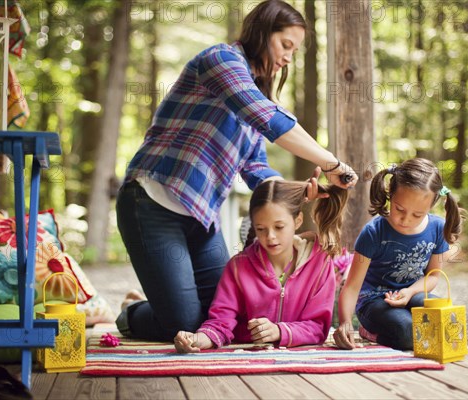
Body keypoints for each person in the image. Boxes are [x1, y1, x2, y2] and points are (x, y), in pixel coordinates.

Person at [116, 0, 357, 341]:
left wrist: (299, 191)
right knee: (182, 324)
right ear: (262, 33)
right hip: (152, 203)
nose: (289, 57)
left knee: (224, 317)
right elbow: (266, 116)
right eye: (285, 45)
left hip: (201, 216)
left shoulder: (255, 95)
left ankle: (162, 301)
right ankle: (131, 314)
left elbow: (257, 169)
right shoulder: (221, 61)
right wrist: (331, 163)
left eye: (295, 50)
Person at [174, 179, 348, 352]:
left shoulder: (320, 264)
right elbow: (221, 322)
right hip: (246, 363)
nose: (270, 236)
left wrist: (279, 331)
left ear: (298, 221)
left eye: (279, 227)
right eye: (261, 229)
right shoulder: (238, 267)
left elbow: (318, 327)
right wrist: (197, 339)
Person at [333, 158, 465, 350]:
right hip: (374, 302)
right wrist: (345, 323)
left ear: (432, 205)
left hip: (412, 294)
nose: (405, 219)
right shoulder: (373, 233)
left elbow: (433, 276)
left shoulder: (437, 229)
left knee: (445, 315)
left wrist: (409, 291)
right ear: (390, 195)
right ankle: (369, 332)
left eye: (417, 215)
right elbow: (352, 286)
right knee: (407, 331)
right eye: (399, 209)